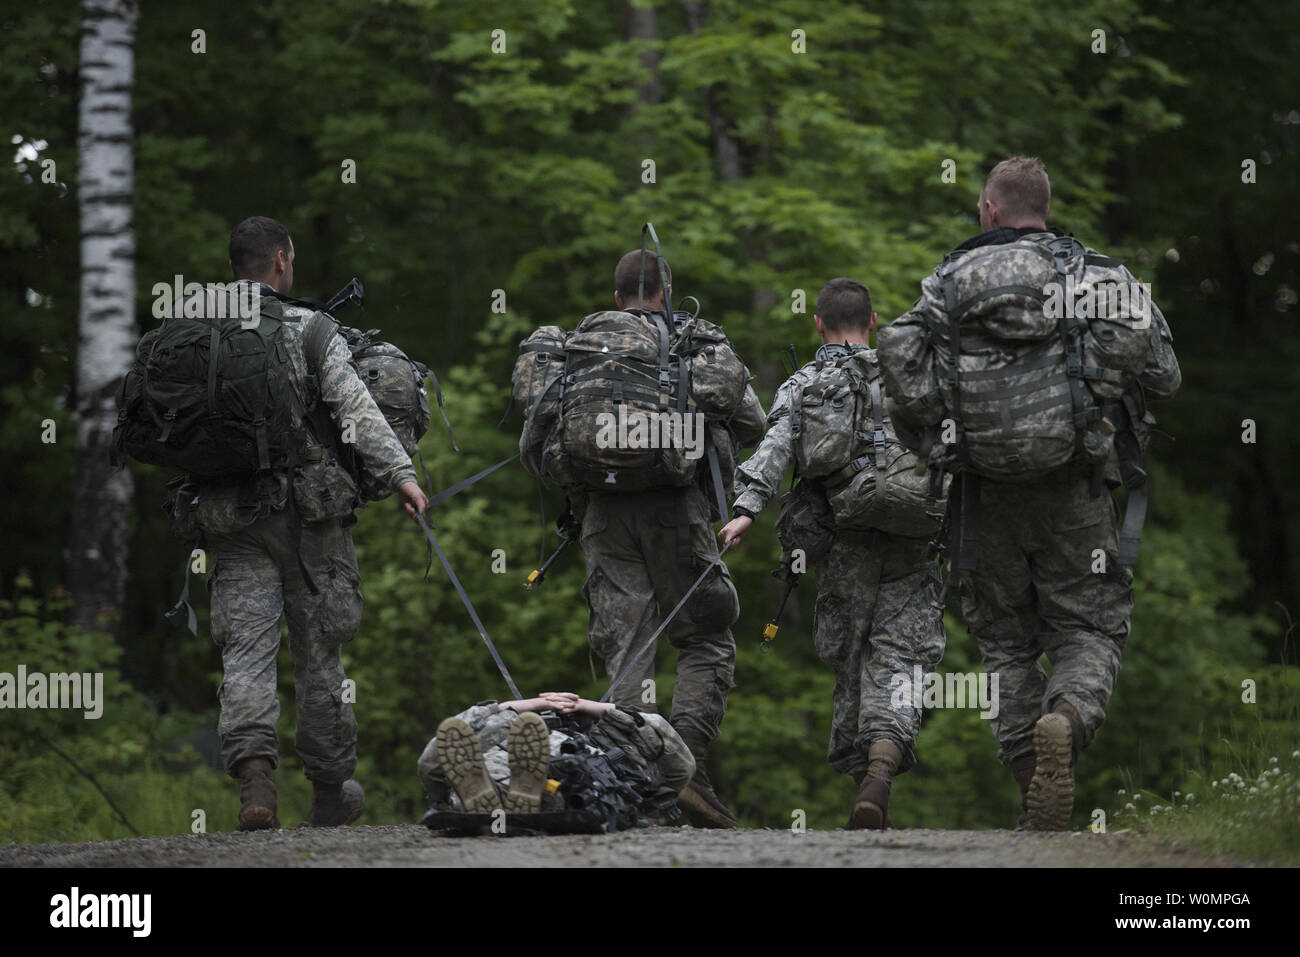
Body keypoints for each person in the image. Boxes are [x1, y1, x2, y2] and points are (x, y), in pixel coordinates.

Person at [879, 157, 1181, 829]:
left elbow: (904, 372)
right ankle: (1066, 719)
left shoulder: (945, 284)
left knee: (1005, 645)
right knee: (1089, 625)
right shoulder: (1095, 275)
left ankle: (1028, 787)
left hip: (981, 497)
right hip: (1074, 485)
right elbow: (1164, 375)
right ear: (1045, 208)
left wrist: (935, 438)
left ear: (989, 210)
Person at [515, 245, 765, 827]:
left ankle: (640, 791)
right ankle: (687, 770)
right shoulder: (689, 341)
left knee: (627, 652)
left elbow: (535, 435)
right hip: (677, 510)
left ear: (616, 298)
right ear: (667, 294)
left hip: (601, 514)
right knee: (705, 638)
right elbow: (751, 419)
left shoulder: (579, 345)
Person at [201, 216, 429, 830]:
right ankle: (330, 794)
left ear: (234, 267)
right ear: (280, 260)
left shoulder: (196, 331)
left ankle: (256, 784)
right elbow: (354, 409)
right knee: (320, 653)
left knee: (246, 651)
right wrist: (403, 475)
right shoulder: (308, 328)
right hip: (309, 519)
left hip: (228, 518)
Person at [718, 278, 947, 829]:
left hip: (844, 542)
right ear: (874, 323)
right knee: (902, 655)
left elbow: (774, 447)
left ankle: (862, 781)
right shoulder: (913, 378)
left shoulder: (806, 383)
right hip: (916, 541)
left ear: (818, 324)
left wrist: (746, 509)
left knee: (851, 660)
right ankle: (881, 773)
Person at [418, 692, 695, 831]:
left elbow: (430, 763)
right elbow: (681, 762)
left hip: (579, 782)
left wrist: (510, 706)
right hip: (574, 792)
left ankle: (493, 801)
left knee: (492, 759)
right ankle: (507, 798)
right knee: (491, 750)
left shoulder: (613, 753)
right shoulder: (505, 731)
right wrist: (521, 708)